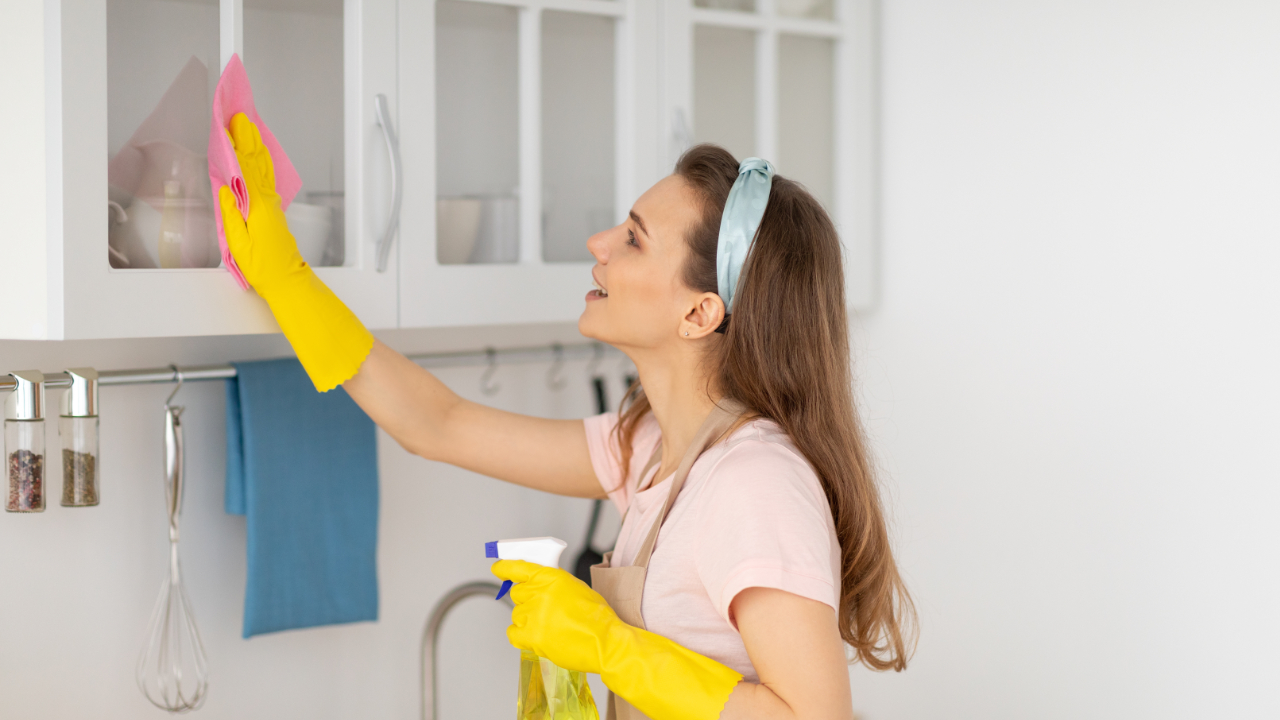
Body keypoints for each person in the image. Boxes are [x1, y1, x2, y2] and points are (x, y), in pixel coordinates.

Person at [218, 112, 915, 720]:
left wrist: (610, 647)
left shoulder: (755, 483)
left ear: (700, 313)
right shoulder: (652, 446)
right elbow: (439, 425)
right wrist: (290, 283)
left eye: (635, 240)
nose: (598, 243)